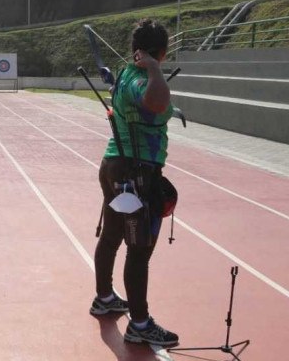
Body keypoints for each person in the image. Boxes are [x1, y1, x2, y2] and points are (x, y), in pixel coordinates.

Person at [89, 19, 179, 347]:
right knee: (138, 250)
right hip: (136, 171)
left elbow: (147, 105)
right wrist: (155, 69)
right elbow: (155, 102)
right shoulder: (142, 77)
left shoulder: (126, 73)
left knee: (113, 235)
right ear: (162, 52)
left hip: (114, 165)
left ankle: (104, 298)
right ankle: (139, 324)